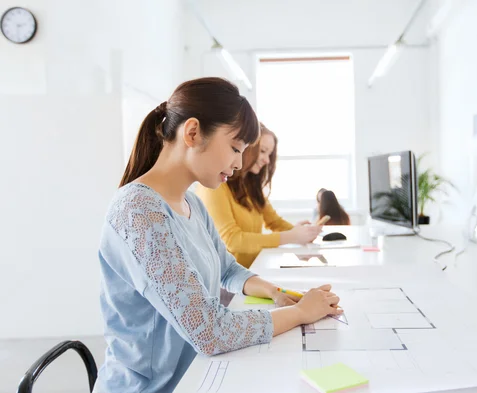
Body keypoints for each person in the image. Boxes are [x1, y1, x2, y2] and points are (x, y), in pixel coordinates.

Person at [95, 78, 342, 393]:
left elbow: (227, 268)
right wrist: (299, 313)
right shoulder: (139, 211)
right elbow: (209, 331)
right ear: (193, 132)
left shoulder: (191, 203)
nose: (239, 164)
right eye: (236, 148)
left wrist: (276, 292)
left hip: (197, 376)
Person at [196, 124, 322, 268]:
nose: (267, 160)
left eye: (269, 154)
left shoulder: (251, 188)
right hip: (226, 280)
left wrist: (303, 233)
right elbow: (232, 240)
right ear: (244, 148)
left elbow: (275, 222)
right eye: (263, 151)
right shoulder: (215, 187)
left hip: (251, 272)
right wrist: (292, 236)